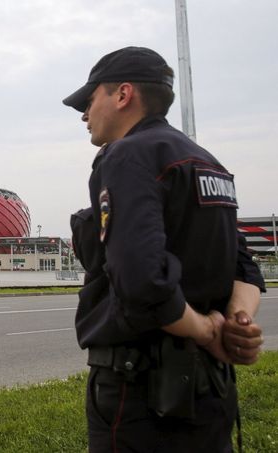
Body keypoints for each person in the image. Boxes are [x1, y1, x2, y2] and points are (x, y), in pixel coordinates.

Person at [64, 47, 265, 452]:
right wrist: (237, 324)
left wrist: (206, 330)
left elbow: (140, 279)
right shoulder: (209, 163)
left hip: (141, 392)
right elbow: (244, 264)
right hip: (208, 388)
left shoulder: (127, 155)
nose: (84, 114)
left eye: (89, 101)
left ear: (122, 95)